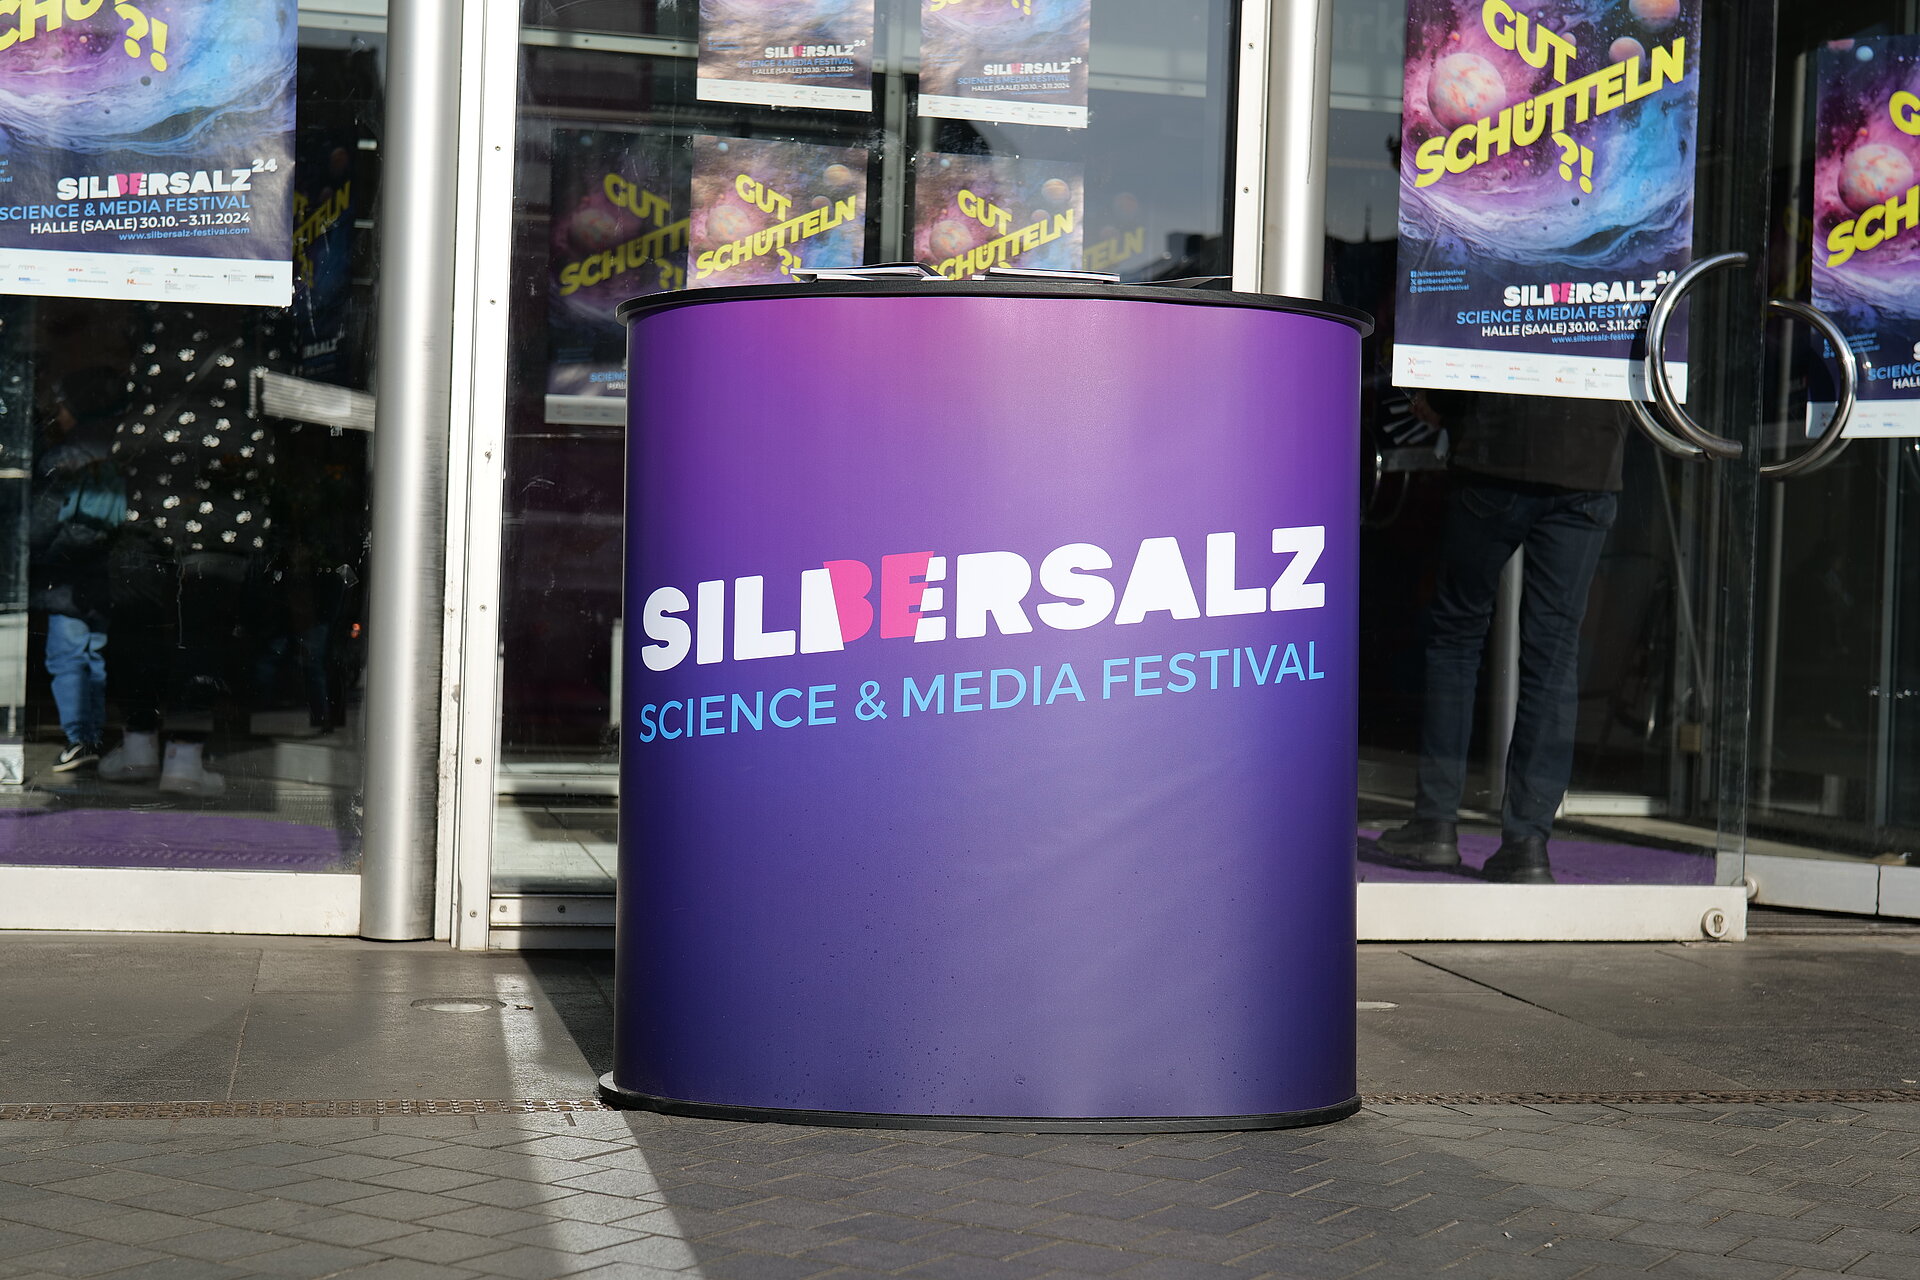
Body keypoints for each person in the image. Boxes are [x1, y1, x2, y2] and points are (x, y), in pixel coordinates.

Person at [1376, 389, 1626, 884]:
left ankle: (1436, 823)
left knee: (1457, 636)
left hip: (1498, 451)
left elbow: (1469, 348)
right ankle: (1527, 842)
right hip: (1590, 458)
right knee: (1553, 653)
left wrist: (1440, 402)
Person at [98, 303, 286, 796]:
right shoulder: (255, 327)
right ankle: (184, 758)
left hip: (148, 504)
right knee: (203, 635)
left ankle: (138, 747)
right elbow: (283, 405)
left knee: (138, 630)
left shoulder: (151, 320)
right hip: (223, 510)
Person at [29, 372, 129, 772]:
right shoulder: (116, 449)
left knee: (66, 656)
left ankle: (80, 738)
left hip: (66, 576)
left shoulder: (62, 457)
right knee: (93, 653)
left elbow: (40, 524)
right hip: (105, 571)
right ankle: (92, 735)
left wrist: (31, 553)